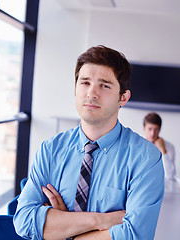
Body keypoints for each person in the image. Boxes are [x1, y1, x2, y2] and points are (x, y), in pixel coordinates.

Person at [13, 45, 164, 240]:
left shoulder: (145, 159)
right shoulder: (51, 150)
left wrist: (64, 229)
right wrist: (99, 221)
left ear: (123, 97)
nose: (91, 93)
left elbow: (135, 235)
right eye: (85, 83)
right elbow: (24, 221)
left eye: (104, 85)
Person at [143, 112, 176, 181]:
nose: (152, 133)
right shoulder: (136, 145)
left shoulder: (169, 147)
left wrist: (163, 151)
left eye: (156, 129)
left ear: (160, 129)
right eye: (150, 129)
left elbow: (170, 176)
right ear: (144, 128)